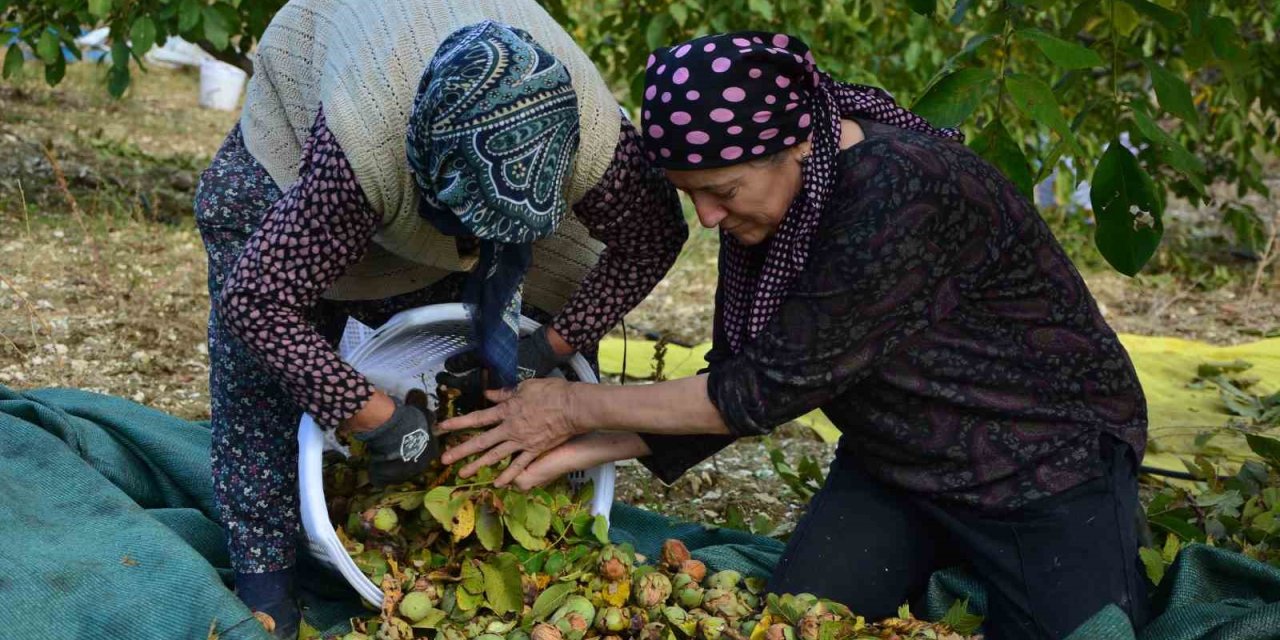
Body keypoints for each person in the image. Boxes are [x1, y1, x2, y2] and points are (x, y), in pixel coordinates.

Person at [436, 32, 1150, 639]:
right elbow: (742, 372)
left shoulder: (898, 195)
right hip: (897, 459)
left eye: (723, 191)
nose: (708, 219)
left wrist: (571, 409)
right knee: (800, 618)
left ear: (796, 145)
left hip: (1040, 461)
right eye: (693, 196)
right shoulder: (780, 203)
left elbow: (756, 391)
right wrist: (571, 452)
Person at [192, 1, 686, 636]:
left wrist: (548, 346)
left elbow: (652, 238)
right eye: (470, 228)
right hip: (306, 140)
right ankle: (267, 587)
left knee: (465, 331)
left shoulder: (595, 142)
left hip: (454, 161)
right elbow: (256, 303)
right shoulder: (358, 151)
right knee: (269, 375)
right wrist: (376, 419)